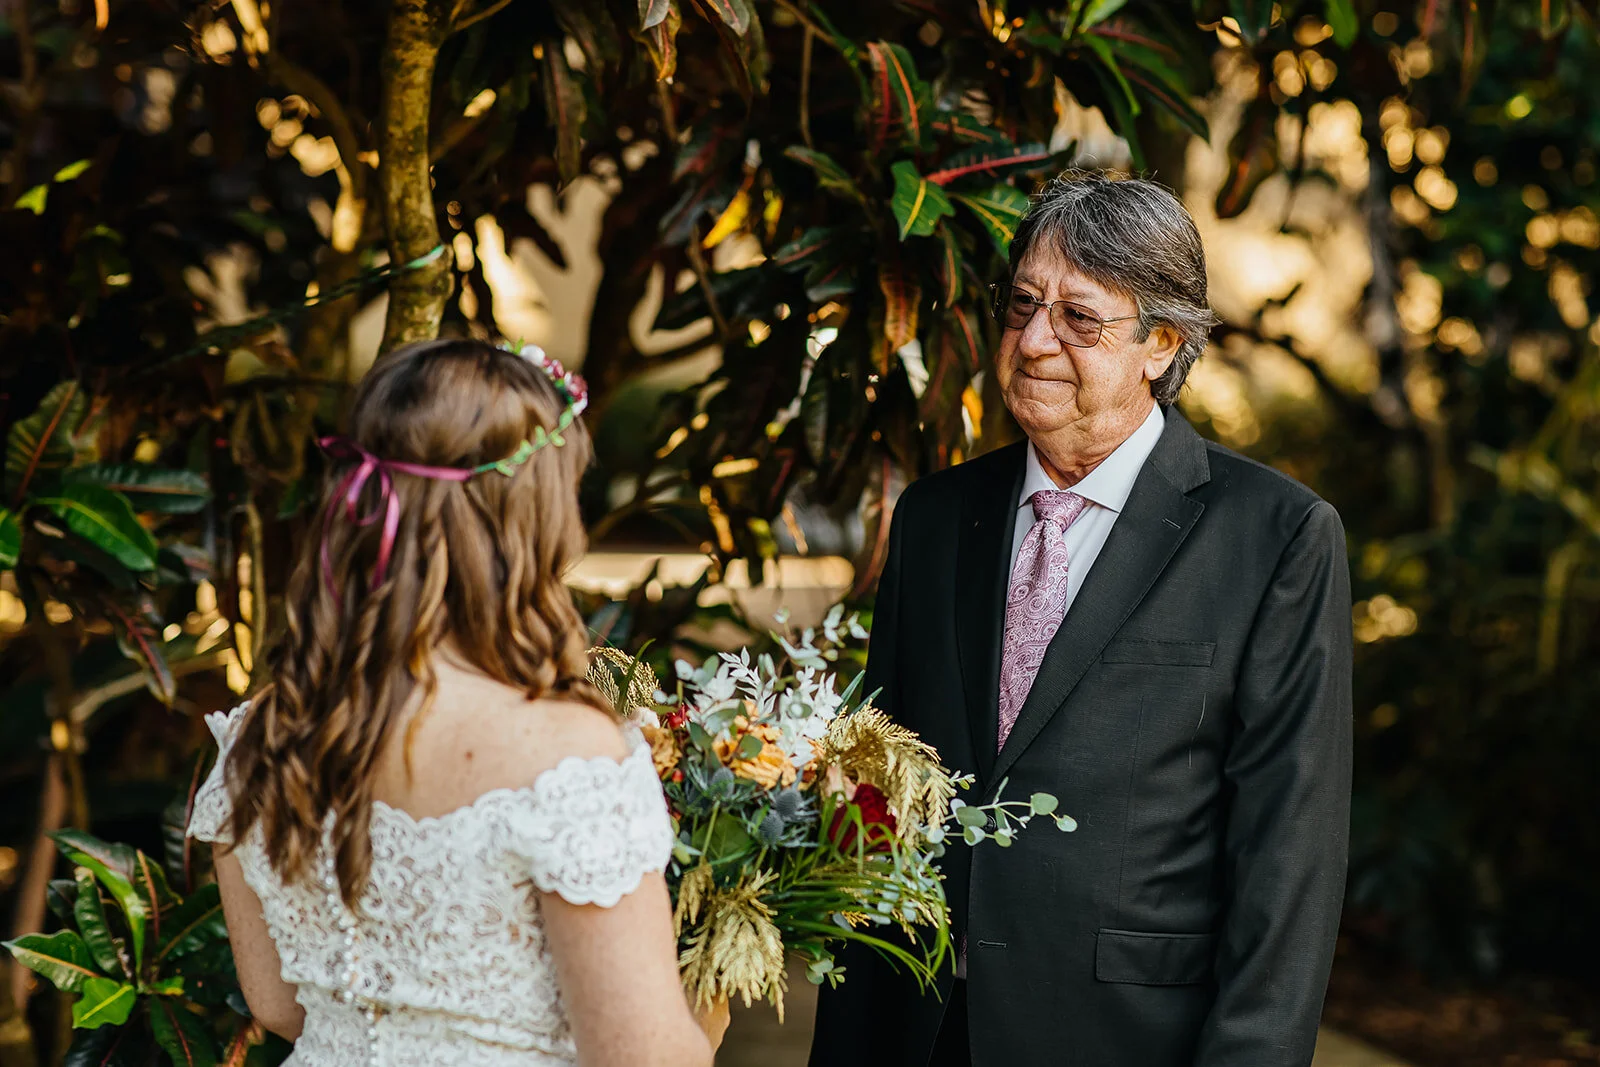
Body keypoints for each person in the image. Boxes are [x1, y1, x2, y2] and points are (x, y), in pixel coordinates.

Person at [809, 172, 1353, 1067]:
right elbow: (877, 805)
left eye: (1079, 317)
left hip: (1130, 1041)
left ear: (1162, 341)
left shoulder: (1279, 537)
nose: (1033, 341)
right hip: (916, 1031)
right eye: (1022, 305)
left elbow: (1289, 861)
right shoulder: (935, 519)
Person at [188, 339, 721, 1067]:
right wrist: (705, 1020)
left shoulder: (258, 735)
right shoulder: (568, 755)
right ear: (531, 519)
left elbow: (279, 1005)